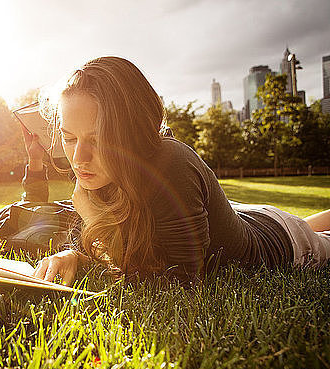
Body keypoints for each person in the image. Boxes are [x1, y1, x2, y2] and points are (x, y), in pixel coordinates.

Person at [26, 56, 330, 285]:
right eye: (69, 137)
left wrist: (92, 218)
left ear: (132, 132)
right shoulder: (104, 172)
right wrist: (73, 256)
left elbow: (181, 282)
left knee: (307, 230)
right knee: (301, 221)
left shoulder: (171, 163)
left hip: (283, 241)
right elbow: (130, 251)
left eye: (99, 139)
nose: (79, 157)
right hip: (247, 218)